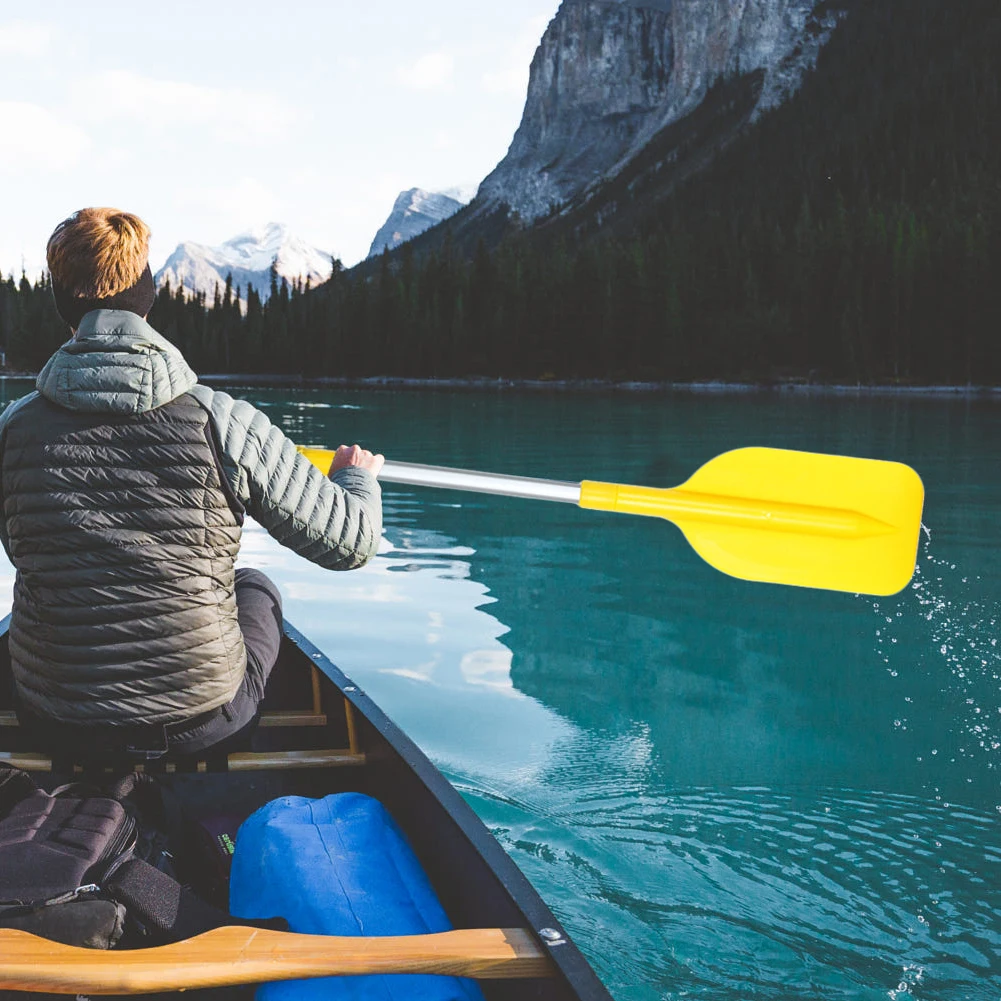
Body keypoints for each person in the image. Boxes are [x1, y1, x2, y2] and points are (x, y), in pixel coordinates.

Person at [0, 207, 384, 758]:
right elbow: (352, 543)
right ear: (146, 292)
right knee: (252, 586)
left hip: (54, 722)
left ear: (61, 302)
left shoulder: (13, 430)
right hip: (201, 727)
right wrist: (356, 478)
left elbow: (19, 546)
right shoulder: (222, 420)